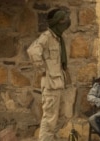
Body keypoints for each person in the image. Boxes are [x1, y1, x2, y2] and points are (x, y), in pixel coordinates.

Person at [27, 8, 71, 141]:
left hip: (58, 85)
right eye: (62, 19)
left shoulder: (58, 38)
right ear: (56, 22)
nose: (66, 22)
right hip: (51, 85)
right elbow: (33, 51)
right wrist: (42, 69)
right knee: (49, 120)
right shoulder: (47, 37)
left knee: (58, 119)